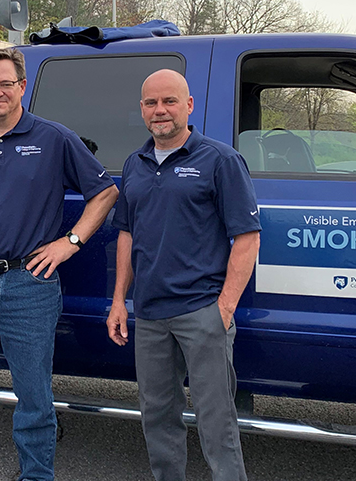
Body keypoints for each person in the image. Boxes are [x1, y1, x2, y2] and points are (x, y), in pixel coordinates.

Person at [0, 47, 119, 481]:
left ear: (22, 86)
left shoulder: (53, 138)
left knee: (33, 397)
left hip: (29, 285)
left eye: (5, 83)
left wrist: (70, 243)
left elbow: (105, 192)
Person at [106, 69, 261, 481]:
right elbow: (126, 234)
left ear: (189, 106)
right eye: (151, 103)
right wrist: (119, 300)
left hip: (201, 313)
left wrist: (223, 309)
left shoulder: (220, 160)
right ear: (141, 109)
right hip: (151, 314)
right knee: (157, 416)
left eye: (169, 101)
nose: (160, 110)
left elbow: (247, 238)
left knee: (217, 423)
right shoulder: (134, 164)